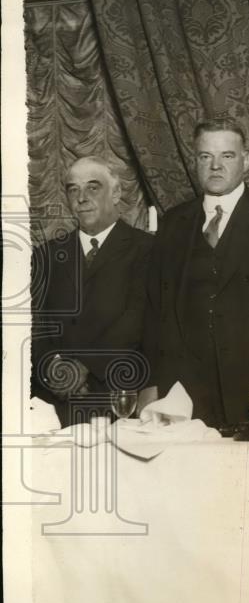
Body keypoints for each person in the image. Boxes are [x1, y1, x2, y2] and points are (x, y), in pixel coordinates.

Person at [144, 118, 249, 432]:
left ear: (246, 161)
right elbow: (156, 311)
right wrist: (152, 384)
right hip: (188, 395)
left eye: (227, 156)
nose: (215, 166)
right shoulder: (174, 222)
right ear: (195, 161)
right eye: (205, 156)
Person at [31, 156, 153, 427]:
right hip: (56, 402)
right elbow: (36, 327)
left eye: (92, 187)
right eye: (73, 189)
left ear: (117, 192)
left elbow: (137, 320)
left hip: (119, 399)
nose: (81, 198)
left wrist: (85, 367)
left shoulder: (147, 249)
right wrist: (55, 371)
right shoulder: (46, 255)